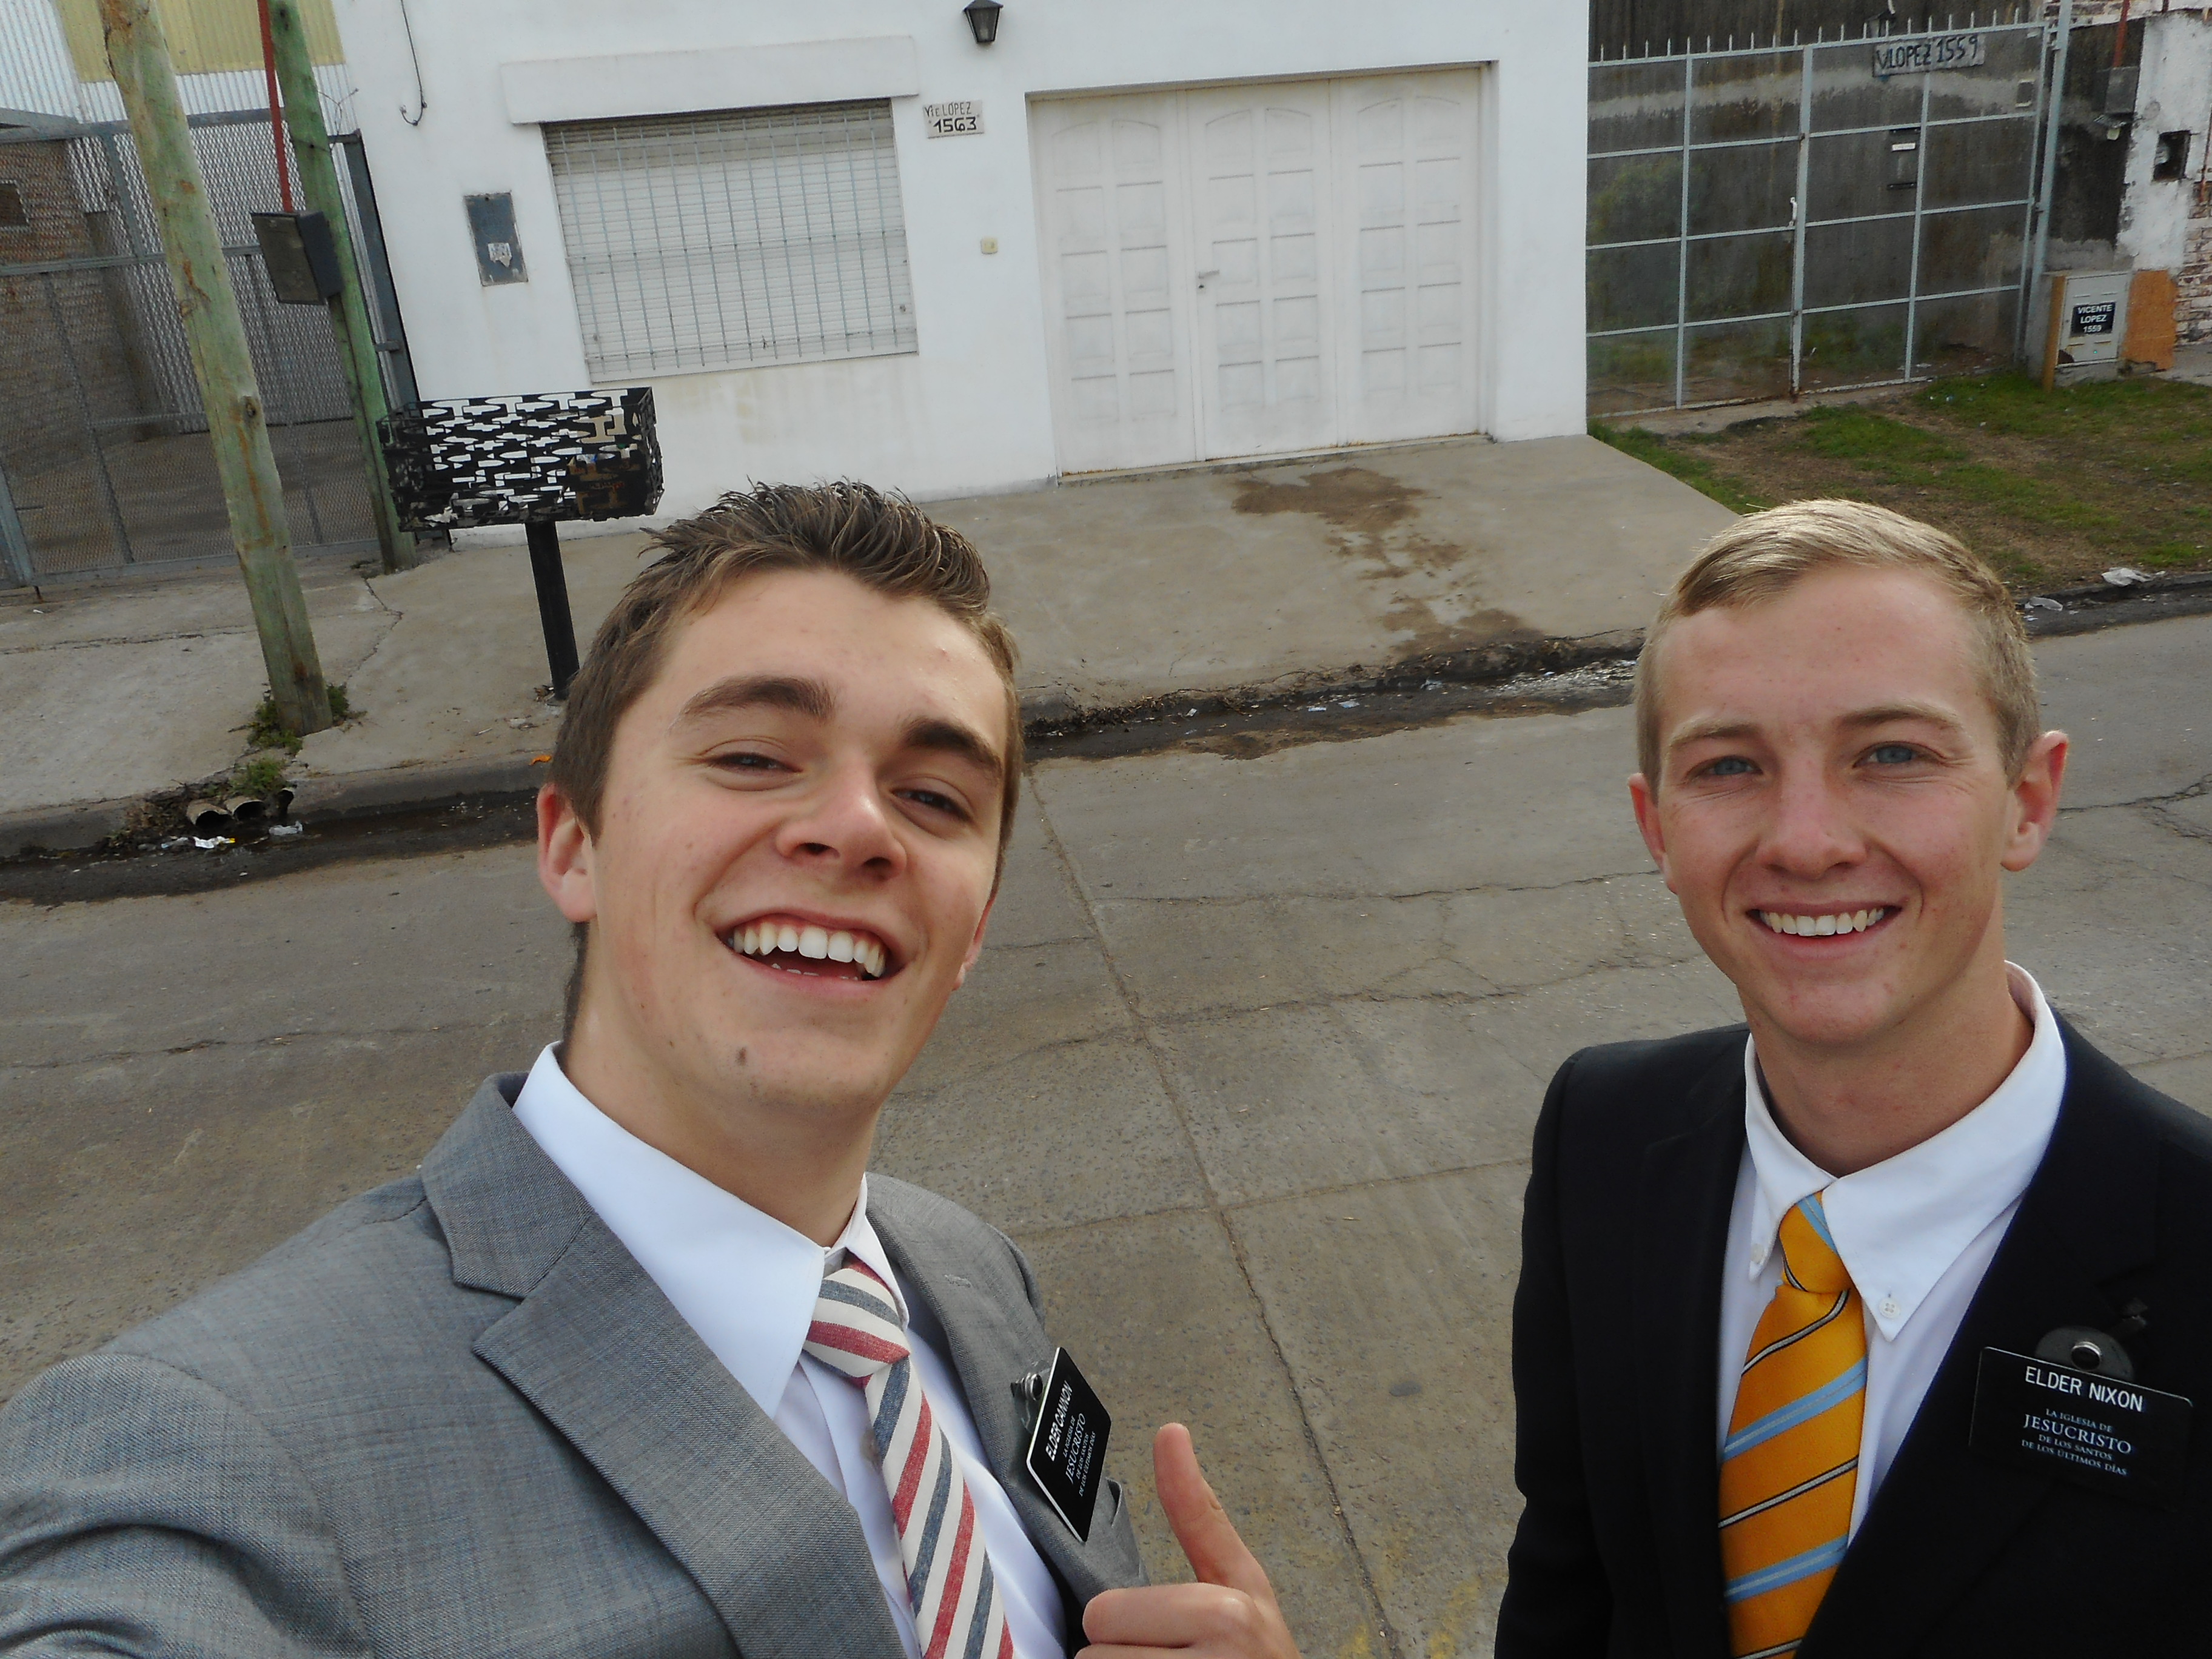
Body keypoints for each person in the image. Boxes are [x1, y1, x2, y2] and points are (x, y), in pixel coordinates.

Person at [0, 483, 1295, 1659]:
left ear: (974, 931)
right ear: (574, 845)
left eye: (937, 798)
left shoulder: (969, 1270)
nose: (858, 827)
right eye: (753, 756)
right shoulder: (212, 1450)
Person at [1496, 500, 2212, 1657]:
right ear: (1658, 829)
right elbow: (1568, 1585)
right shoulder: (1603, 1136)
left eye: (1892, 755)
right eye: (1730, 765)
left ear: (2028, 802)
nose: (1807, 840)